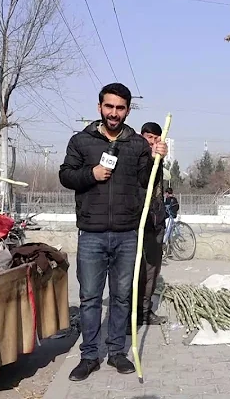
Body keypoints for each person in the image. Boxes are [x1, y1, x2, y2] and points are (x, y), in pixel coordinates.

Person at [59, 83, 167, 381]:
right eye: (109, 107)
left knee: (121, 297)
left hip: (126, 233)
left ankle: (117, 352)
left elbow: (147, 181)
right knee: (90, 298)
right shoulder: (81, 141)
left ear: (128, 111)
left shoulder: (136, 145)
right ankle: (89, 356)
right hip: (91, 234)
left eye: (120, 108)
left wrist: (158, 158)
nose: (114, 113)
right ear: (100, 108)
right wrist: (90, 174)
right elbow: (66, 175)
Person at [134, 122, 168, 328]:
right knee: (135, 270)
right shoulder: (136, 157)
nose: (153, 142)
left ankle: (145, 312)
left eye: (157, 138)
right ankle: (130, 314)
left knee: (152, 270)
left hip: (156, 221)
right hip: (138, 222)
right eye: (149, 138)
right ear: (141, 137)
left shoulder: (159, 159)